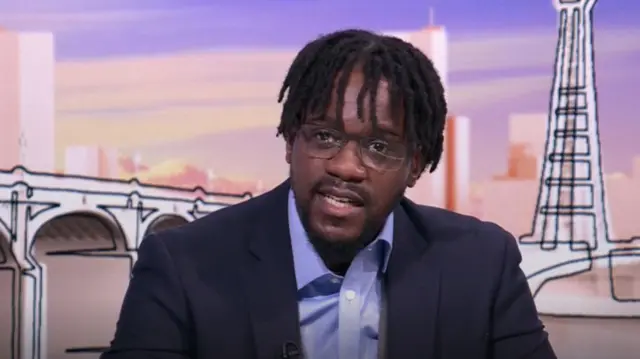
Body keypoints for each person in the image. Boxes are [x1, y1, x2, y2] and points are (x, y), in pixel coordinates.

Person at [101, 29, 556, 359]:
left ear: (414, 165)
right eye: (323, 137)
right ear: (290, 141)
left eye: (379, 147)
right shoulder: (184, 264)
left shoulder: (480, 264)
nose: (344, 166)